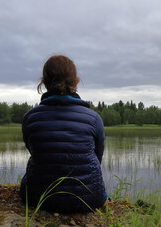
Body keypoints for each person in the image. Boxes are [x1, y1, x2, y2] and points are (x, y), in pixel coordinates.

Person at [20, 55, 107, 213]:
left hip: (37, 197)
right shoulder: (94, 118)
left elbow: (34, 151)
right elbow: (97, 157)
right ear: (76, 81)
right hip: (88, 199)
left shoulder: (30, 117)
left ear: (44, 82)